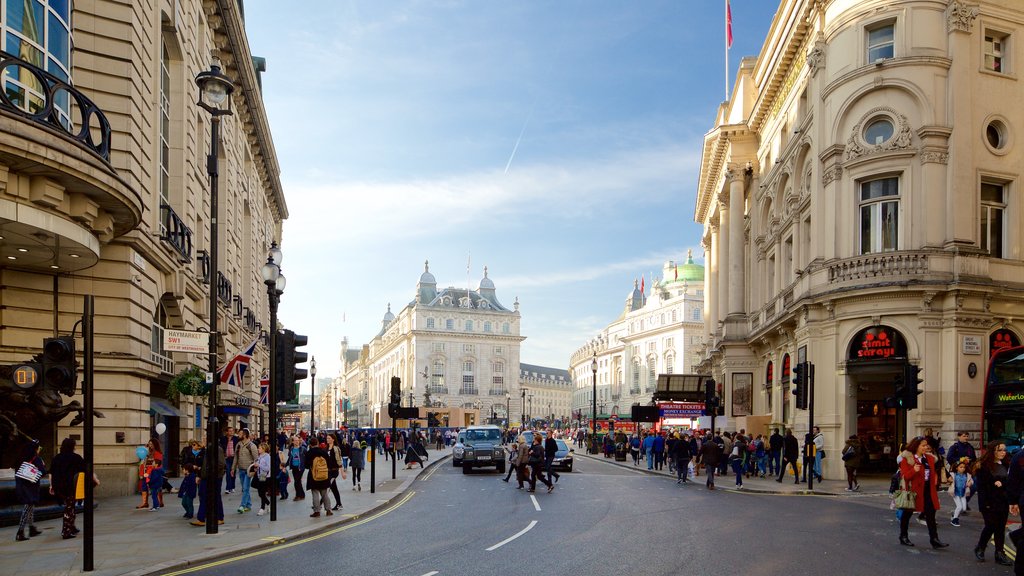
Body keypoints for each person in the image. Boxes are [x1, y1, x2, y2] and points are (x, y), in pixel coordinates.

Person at [897, 436, 946, 548]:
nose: (926, 447)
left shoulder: (929, 458)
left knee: (931, 513)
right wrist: (914, 470)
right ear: (916, 446)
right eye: (923, 445)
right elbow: (904, 477)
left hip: (928, 488)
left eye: (926, 445)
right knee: (907, 513)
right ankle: (903, 536)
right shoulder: (907, 459)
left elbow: (934, 471)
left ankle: (934, 539)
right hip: (913, 490)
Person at [973, 441, 1012, 565]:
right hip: (989, 502)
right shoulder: (984, 466)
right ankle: (980, 547)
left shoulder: (1006, 464)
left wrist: (1003, 484)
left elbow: (1011, 482)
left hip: (1003, 501)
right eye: (999, 450)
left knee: (1000, 528)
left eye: (1004, 450)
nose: (1003, 452)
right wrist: (984, 504)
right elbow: (982, 487)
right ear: (992, 451)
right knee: (990, 526)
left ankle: (999, 553)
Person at [49, 437, 85, 539]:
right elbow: (84, 470)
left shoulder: (57, 458)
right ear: (72, 446)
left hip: (59, 486)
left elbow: (51, 472)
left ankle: (72, 526)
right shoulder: (76, 457)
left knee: (70, 506)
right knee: (69, 508)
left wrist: (51, 485)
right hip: (70, 486)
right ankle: (66, 531)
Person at [14, 440, 45, 541]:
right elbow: (43, 472)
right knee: (27, 508)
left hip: (22, 486)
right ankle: (20, 532)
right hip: (31, 487)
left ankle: (31, 528)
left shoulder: (21, 458)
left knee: (30, 507)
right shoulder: (36, 458)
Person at [191, 440, 226, 527]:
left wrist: (211, 474)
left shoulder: (217, 449)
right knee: (203, 496)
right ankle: (202, 518)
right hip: (206, 477)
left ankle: (219, 517)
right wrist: (200, 475)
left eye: (205, 438)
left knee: (216, 496)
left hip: (214, 477)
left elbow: (221, 464)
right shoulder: (207, 449)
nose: (203, 440)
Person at [946, 431, 977, 510]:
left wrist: (971, 461)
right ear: (959, 437)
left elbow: (974, 459)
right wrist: (961, 460)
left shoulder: (970, 447)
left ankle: (965, 501)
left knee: (973, 486)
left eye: (967, 436)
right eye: (964, 436)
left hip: (969, 471)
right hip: (959, 472)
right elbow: (949, 458)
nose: (966, 438)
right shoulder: (954, 447)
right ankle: (961, 506)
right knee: (961, 488)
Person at [231, 428, 258, 513]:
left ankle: (242, 505)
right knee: (244, 488)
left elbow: (256, 459)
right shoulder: (238, 445)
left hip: (248, 470)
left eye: (240, 434)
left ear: (245, 435)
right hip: (241, 469)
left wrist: (254, 470)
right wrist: (233, 468)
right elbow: (236, 457)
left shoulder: (252, 446)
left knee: (246, 488)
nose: (238, 435)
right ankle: (248, 505)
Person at [305, 441, 335, 517]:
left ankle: (317, 511)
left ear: (310, 445)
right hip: (324, 475)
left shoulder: (309, 453)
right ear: (317, 444)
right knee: (324, 494)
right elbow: (329, 463)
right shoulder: (323, 452)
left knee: (315, 494)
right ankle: (328, 510)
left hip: (313, 476)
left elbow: (306, 465)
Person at [179, 440, 201, 519]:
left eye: (195, 445)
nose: (194, 446)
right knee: (185, 502)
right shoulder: (188, 451)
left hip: (197, 473)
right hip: (190, 470)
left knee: (190, 500)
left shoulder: (201, 453)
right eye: (192, 445)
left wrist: (197, 468)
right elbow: (183, 460)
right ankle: (188, 512)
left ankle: (191, 513)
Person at [948, 457, 972, 527]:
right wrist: (949, 480)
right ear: (956, 468)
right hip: (955, 493)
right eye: (961, 467)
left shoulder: (967, 475)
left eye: (964, 467)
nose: (963, 468)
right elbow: (948, 478)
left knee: (964, 508)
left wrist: (970, 483)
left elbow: (971, 481)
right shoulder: (953, 475)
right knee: (959, 507)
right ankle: (954, 520)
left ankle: (954, 514)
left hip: (963, 494)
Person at [325, 434, 345, 510]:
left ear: (333, 439)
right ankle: (339, 504)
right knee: (334, 489)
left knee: (327, 488)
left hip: (334, 471)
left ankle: (319, 505)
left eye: (329, 438)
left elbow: (339, 460)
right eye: (327, 438)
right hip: (328, 471)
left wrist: (342, 472)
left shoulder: (336, 448)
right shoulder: (326, 448)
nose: (327, 439)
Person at [253, 442, 272, 516]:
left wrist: (259, 465)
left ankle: (262, 508)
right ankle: (267, 503)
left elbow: (268, 468)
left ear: (264, 449)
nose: (258, 449)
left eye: (260, 448)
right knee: (260, 493)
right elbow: (258, 466)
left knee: (262, 492)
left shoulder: (267, 457)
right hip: (259, 475)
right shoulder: (259, 456)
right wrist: (255, 468)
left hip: (265, 476)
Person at [288, 435, 307, 500]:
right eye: (295, 440)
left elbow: (307, 457)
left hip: (300, 467)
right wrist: (285, 465)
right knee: (298, 481)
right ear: (293, 442)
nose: (297, 442)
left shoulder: (302, 448)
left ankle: (298, 495)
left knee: (297, 481)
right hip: (294, 467)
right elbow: (290, 458)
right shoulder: (291, 449)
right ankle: (302, 495)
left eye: (298, 440)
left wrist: (307, 465)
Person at [221, 426, 239, 495]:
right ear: (227, 432)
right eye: (230, 431)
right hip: (227, 458)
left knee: (233, 473)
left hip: (234, 458)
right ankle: (228, 488)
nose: (231, 432)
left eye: (232, 431)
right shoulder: (223, 439)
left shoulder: (235, 439)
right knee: (228, 472)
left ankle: (232, 487)